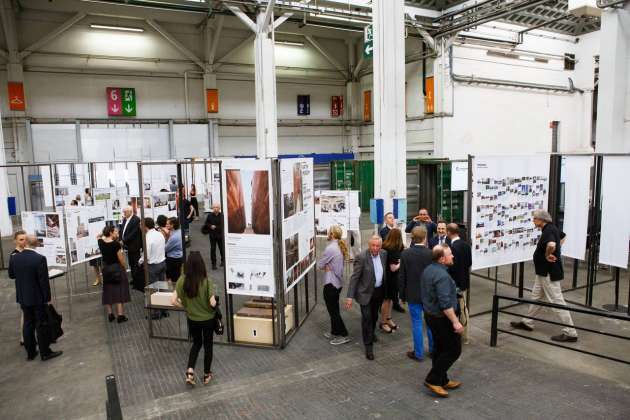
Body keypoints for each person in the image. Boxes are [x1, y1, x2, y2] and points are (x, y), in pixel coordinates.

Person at [511, 210, 578, 342]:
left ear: (542, 220)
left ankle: (571, 332)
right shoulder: (552, 228)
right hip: (543, 272)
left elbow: (552, 244)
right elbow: (562, 237)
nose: (533, 221)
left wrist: (548, 254)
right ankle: (527, 322)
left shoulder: (548, 231)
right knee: (536, 297)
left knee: (556, 301)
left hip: (548, 272)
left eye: (535, 219)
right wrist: (556, 250)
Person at [9, 235, 63, 362]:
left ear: (25, 243)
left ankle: (31, 352)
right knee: (41, 324)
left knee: (28, 324)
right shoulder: (39, 259)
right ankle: (45, 352)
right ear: (37, 244)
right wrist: (47, 298)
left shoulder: (15, 258)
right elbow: (43, 282)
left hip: (23, 296)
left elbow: (11, 275)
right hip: (37, 298)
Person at [421, 245, 463, 398]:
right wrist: (455, 322)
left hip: (431, 315)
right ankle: (432, 379)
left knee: (440, 348)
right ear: (442, 259)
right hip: (442, 319)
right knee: (453, 350)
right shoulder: (442, 276)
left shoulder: (429, 269)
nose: (453, 256)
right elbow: (445, 304)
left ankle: (442, 379)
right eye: (450, 254)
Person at [171, 252, 217, 386]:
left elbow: (173, 300)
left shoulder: (181, 280)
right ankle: (206, 374)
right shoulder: (206, 281)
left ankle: (190, 371)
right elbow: (212, 302)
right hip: (208, 319)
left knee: (196, 343)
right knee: (208, 345)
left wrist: (185, 307)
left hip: (192, 319)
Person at [345, 235, 387, 361]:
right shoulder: (361, 257)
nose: (375, 248)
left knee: (374, 317)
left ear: (381, 246)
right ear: (369, 245)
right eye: (373, 245)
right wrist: (349, 297)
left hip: (378, 292)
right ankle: (368, 347)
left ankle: (372, 332)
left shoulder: (384, 254)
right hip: (365, 294)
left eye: (377, 246)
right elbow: (355, 277)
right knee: (367, 318)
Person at [399, 226, 434, 361]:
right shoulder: (431, 254)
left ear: (412, 238)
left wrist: (402, 296)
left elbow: (402, 277)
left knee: (417, 324)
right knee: (430, 323)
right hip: (429, 295)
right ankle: (433, 350)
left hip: (413, 295)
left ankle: (418, 353)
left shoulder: (405, 254)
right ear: (425, 237)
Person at [318, 225, 351, 345]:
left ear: (332, 234)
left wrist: (327, 267)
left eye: (328, 232)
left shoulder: (330, 248)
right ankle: (334, 331)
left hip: (331, 284)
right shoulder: (339, 246)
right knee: (334, 308)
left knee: (333, 311)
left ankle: (343, 334)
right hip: (337, 284)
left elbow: (320, 265)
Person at [98, 226, 130, 323]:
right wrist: (125, 266)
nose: (116, 233)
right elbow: (121, 259)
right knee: (119, 291)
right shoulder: (116, 244)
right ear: (111, 233)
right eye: (115, 231)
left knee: (108, 291)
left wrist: (103, 234)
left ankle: (110, 314)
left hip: (106, 269)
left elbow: (98, 236)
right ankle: (120, 315)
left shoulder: (101, 243)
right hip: (117, 269)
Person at [446, 223, 472, 344]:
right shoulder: (466, 245)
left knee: (458, 310)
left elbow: (452, 267)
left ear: (449, 232)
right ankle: (464, 335)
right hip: (464, 281)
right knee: (463, 308)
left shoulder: (453, 248)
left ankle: (461, 335)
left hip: (455, 284)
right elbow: (469, 263)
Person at [380, 228, 404, 334]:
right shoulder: (394, 249)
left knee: (389, 300)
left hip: (385, 277)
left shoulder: (385, 246)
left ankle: (388, 319)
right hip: (391, 278)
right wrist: (401, 263)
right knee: (387, 300)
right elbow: (393, 268)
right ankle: (383, 322)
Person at [9, 230, 27, 346]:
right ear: (15, 241)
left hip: (30, 286)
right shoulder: (13, 255)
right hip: (23, 287)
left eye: (25, 239)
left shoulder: (28, 252)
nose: (23, 241)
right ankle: (23, 338)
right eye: (21, 239)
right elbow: (11, 274)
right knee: (25, 314)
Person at [120, 207, 143, 292]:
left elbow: (133, 233)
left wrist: (123, 240)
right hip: (128, 246)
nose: (124, 213)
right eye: (123, 212)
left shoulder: (136, 219)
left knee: (135, 264)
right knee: (131, 263)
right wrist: (121, 239)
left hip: (134, 246)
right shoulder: (125, 219)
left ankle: (137, 282)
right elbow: (122, 230)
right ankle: (134, 279)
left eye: (125, 212)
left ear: (130, 211)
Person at [142, 217, 166, 285]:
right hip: (162, 262)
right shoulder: (160, 234)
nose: (140, 227)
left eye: (141, 225)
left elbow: (147, 254)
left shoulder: (148, 237)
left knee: (154, 289)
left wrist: (140, 261)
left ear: (145, 226)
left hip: (153, 266)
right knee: (162, 286)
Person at [204, 203, 224, 270]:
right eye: (214, 207)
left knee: (222, 249)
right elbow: (206, 223)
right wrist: (210, 226)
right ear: (212, 208)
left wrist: (216, 227)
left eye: (217, 207)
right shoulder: (209, 215)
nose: (215, 209)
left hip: (220, 235)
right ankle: (213, 264)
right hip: (212, 235)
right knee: (213, 249)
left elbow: (223, 225)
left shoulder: (222, 216)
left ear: (219, 208)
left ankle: (223, 261)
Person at [165, 217, 184, 284]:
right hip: (179, 257)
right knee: (178, 276)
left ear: (172, 225)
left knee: (174, 279)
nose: (166, 225)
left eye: (167, 224)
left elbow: (166, 248)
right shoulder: (180, 231)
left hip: (173, 260)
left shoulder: (174, 237)